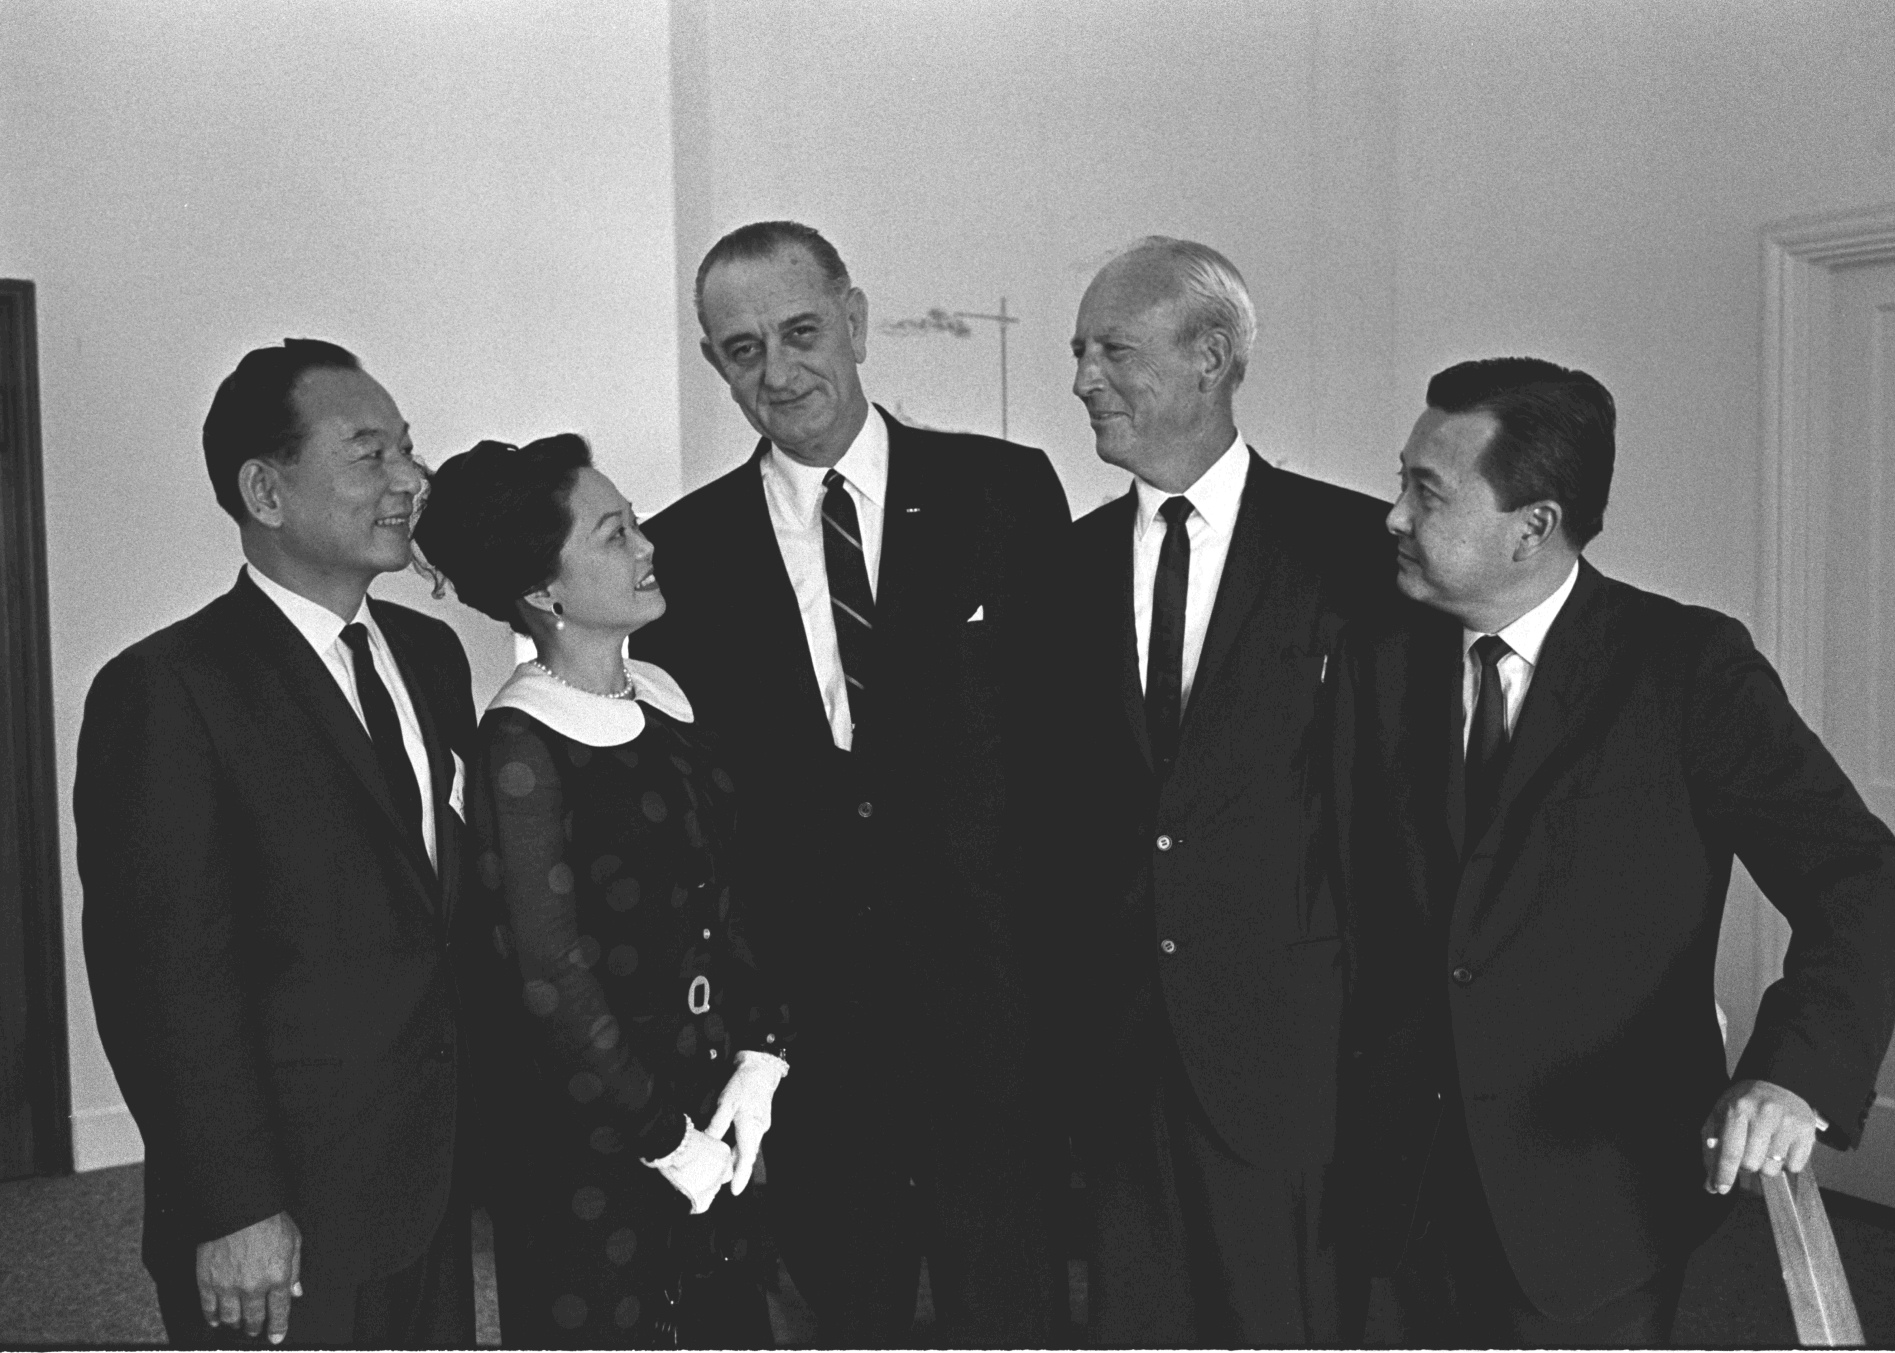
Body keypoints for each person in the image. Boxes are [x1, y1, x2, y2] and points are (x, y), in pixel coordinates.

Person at [1331, 357, 1895, 1347]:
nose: (1391, 515)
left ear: (1533, 526)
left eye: (1425, 491)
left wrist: (1793, 1075)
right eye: (1401, 480)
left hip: (1591, 1200)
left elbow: (1848, 874)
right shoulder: (1374, 656)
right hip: (1393, 1186)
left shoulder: (1688, 670)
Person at [629, 220, 1071, 1346]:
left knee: (1011, 1305)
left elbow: (1062, 752)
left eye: (800, 331)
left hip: (992, 1004)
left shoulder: (1003, 492)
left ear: (856, 321)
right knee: (849, 1306)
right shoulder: (679, 554)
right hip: (812, 1026)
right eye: (740, 350)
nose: (777, 373)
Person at [75, 340, 477, 1347]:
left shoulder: (427, 657)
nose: (409, 480)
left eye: (408, 451)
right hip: (281, 1217)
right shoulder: (168, 690)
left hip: (426, 1184)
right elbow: (159, 977)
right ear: (265, 489)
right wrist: (233, 1206)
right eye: (368, 454)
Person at [1061, 236, 1397, 1346]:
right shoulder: (1065, 564)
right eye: (1078, 354)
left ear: (1208, 357)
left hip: (1290, 1053)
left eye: (1110, 350)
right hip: (1116, 1051)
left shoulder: (1353, 551)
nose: (1081, 381)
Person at [414, 435, 792, 1347]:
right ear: (543, 592)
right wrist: (669, 1138)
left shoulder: (660, 692)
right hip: (598, 1140)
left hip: (708, 1101)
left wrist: (763, 1049)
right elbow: (552, 977)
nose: (648, 546)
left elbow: (726, 888)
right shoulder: (521, 744)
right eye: (616, 534)